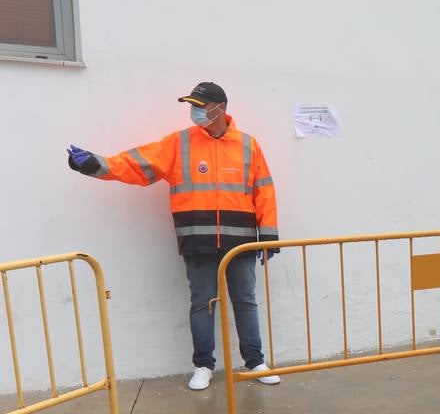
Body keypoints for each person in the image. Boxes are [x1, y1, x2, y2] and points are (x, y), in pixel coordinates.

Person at [66, 81, 282, 391]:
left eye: (200, 105)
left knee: (245, 302)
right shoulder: (179, 144)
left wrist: (269, 234)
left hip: (242, 242)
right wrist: (96, 165)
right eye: (192, 106)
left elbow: (264, 189)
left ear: (220, 108)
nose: (194, 111)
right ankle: (203, 365)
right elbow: (137, 164)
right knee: (202, 303)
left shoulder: (248, 145)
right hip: (198, 239)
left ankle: (255, 362)